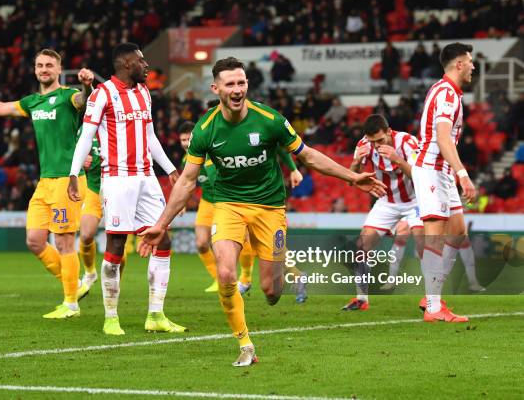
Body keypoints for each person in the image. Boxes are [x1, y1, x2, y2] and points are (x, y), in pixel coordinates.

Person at [138, 57, 386, 366]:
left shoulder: (269, 119)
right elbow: (187, 181)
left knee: (271, 291)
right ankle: (245, 344)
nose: (238, 89)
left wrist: (352, 177)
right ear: (216, 88)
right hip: (228, 206)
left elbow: (307, 155)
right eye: (230, 83)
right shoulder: (204, 129)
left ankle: (282, 280)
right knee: (226, 272)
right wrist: (162, 223)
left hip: (270, 209)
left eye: (241, 82)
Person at [0, 49, 94, 319]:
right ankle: (74, 285)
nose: (44, 69)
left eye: (49, 65)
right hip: (45, 182)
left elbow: (84, 101)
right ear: (34, 69)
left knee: (65, 242)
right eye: (40, 65)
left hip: (68, 180)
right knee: (34, 240)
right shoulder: (33, 103)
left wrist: (87, 86)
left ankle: (71, 304)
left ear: (58, 68)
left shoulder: (67, 97)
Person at [68, 43, 186, 335]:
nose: (146, 65)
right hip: (118, 179)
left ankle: (155, 315)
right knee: (116, 246)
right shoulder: (102, 94)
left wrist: (170, 169)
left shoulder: (144, 92)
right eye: (141, 61)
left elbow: (149, 136)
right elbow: (86, 135)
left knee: (164, 241)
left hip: (146, 177)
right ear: (126, 63)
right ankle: (110, 317)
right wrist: (73, 172)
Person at [178, 120, 307, 302]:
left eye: (188, 139)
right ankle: (223, 279)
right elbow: (188, 183)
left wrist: (293, 169)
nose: (185, 143)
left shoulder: (222, 150)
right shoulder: (189, 159)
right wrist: (181, 202)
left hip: (239, 202)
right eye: (182, 140)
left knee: (265, 246)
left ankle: (288, 276)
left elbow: (278, 148)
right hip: (209, 203)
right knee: (201, 243)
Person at [411, 42, 477, 322]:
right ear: (459, 64)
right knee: (436, 233)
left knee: (458, 231)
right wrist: (462, 173)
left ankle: (431, 295)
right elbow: (442, 138)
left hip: (442, 170)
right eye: (470, 61)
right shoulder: (447, 94)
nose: (474, 66)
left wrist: (454, 172)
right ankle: (435, 308)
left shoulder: (446, 91)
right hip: (431, 168)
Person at [344, 114, 425, 310]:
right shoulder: (364, 144)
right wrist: (356, 162)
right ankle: (361, 299)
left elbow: (420, 176)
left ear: (389, 132)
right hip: (387, 202)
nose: (377, 145)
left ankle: (430, 299)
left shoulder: (407, 141)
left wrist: (397, 159)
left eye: (380, 140)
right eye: (373, 141)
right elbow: (349, 180)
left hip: (415, 200)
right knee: (362, 246)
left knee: (423, 242)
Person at [76, 136, 134, 300]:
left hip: (117, 190)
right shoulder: (87, 128)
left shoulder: (121, 127)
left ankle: (115, 284)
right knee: (86, 235)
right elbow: (74, 150)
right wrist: (81, 159)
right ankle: (90, 273)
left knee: (118, 247)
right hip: (94, 189)